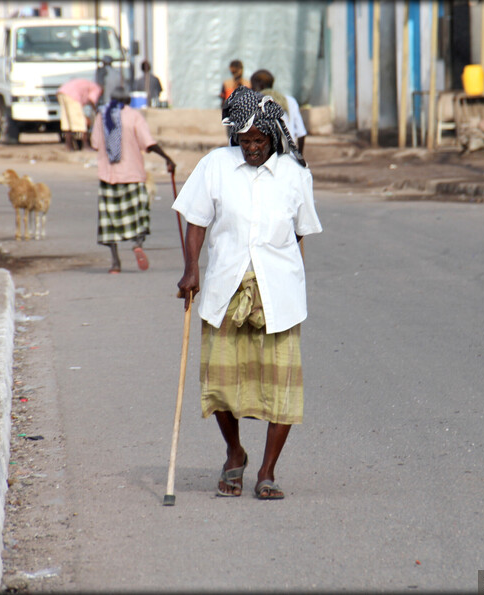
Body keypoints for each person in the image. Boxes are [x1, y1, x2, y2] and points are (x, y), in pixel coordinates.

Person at [173, 86, 321, 500]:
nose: (252, 148)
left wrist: (294, 282)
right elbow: (196, 220)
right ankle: (234, 453)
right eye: (244, 140)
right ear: (234, 137)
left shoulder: (295, 174)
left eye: (259, 140)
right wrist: (190, 270)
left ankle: (267, 472)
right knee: (220, 382)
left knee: (282, 387)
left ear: (273, 136)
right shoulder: (215, 166)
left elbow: (299, 234)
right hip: (226, 288)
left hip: (278, 293)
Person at [90, 88, 175, 274]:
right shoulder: (134, 116)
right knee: (139, 215)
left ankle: (115, 263)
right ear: (128, 100)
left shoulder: (101, 116)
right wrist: (168, 158)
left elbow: (95, 143)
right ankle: (137, 243)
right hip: (132, 175)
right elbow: (149, 143)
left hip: (108, 177)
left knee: (109, 221)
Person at [250, 68, 308, 155]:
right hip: (289, 155)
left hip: (267, 156)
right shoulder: (289, 101)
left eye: (253, 86)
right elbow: (301, 133)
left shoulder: (257, 102)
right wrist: (300, 156)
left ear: (261, 85)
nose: (251, 89)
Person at [57, 77, 102, 151]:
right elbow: (92, 100)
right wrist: (96, 111)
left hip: (61, 92)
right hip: (73, 95)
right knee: (80, 121)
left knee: (66, 121)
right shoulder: (97, 89)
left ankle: (68, 145)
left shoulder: (88, 83)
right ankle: (85, 146)